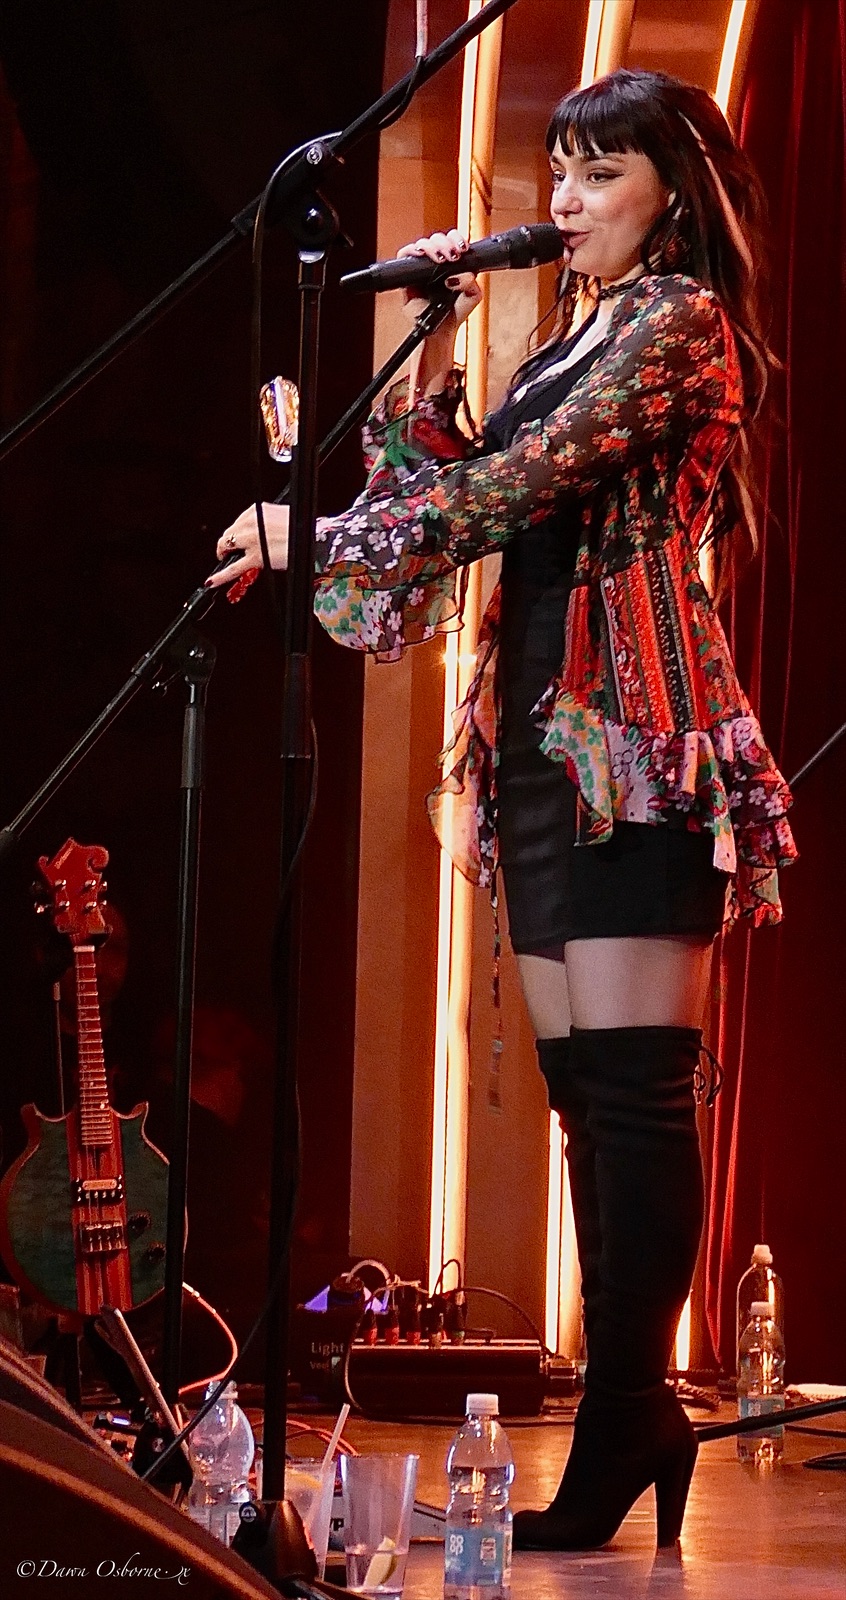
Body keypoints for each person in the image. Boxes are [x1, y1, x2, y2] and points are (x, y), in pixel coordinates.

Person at [209, 69, 797, 1550]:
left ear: (674, 191)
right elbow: (458, 487)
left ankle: (627, 1413)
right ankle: (629, 1414)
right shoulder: (574, 329)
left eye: (599, 174)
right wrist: (431, 349)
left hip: (638, 733)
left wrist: (314, 535)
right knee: (583, 1095)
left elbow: (518, 491)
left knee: (636, 1085)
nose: (564, 203)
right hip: (538, 733)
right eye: (559, 173)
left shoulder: (678, 323)